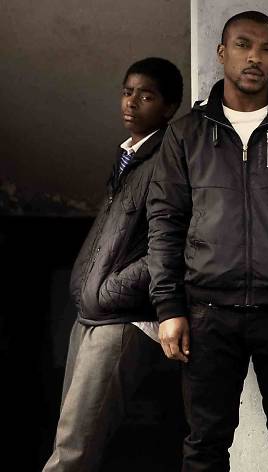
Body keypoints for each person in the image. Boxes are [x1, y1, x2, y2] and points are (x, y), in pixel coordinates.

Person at [146, 10, 268, 472]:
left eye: (266, 48)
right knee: (204, 446)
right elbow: (164, 225)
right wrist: (169, 308)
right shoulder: (186, 134)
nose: (254, 57)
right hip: (207, 313)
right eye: (243, 45)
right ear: (222, 53)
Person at [43, 57, 184, 472]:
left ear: (169, 107)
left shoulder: (168, 160)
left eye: (146, 95)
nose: (131, 102)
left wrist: (109, 291)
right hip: (91, 314)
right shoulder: (130, 156)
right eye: (127, 92)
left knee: (72, 452)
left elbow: (171, 245)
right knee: (70, 441)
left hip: (123, 318)